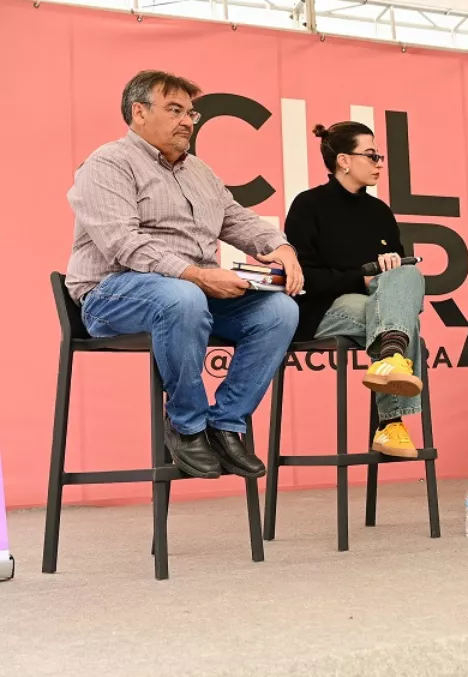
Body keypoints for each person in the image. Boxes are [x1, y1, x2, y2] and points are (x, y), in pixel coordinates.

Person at [66, 70, 303, 480]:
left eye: (191, 113)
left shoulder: (201, 173)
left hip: (189, 295)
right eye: (175, 110)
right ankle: (185, 423)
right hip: (112, 294)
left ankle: (225, 424)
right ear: (139, 113)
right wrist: (198, 276)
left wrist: (280, 247)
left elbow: (239, 220)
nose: (188, 121)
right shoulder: (107, 163)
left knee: (278, 311)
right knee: (183, 297)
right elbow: (124, 244)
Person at [284, 121, 426, 457]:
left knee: (409, 274)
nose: (379, 163)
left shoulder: (380, 212)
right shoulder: (309, 205)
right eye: (372, 155)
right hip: (322, 308)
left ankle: (390, 357)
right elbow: (302, 276)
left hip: (375, 305)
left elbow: (394, 276)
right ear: (344, 161)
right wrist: (359, 279)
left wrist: (391, 267)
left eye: (380, 155)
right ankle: (390, 423)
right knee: (408, 330)